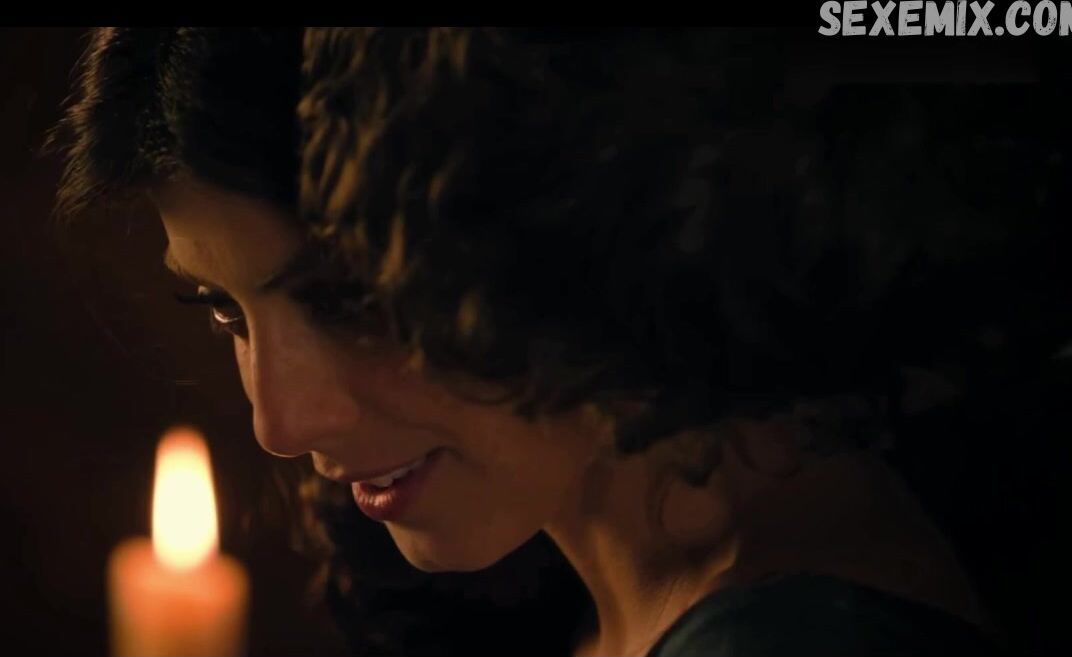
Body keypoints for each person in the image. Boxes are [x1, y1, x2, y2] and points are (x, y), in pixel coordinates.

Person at [50, 27, 1070, 656]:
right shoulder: (552, 589)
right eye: (224, 311)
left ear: (563, 205)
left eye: (348, 295)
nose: (279, 421)